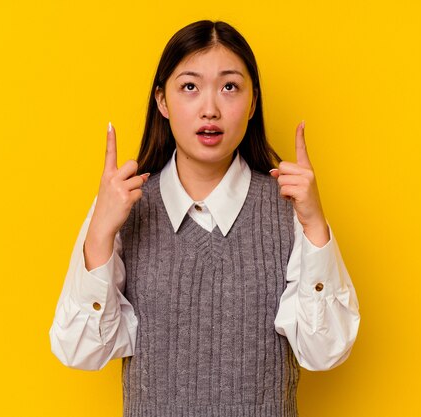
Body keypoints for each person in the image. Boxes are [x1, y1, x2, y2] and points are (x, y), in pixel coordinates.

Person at [49, 20, 360, 417]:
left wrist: (315, 227)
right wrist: (99, 235)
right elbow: (80, 350)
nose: (210, 109)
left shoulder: (292, 211)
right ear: (162, 100)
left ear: (252, 103)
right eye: (189, 87)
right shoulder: (122, 208)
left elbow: (324, 351)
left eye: (229, 86)